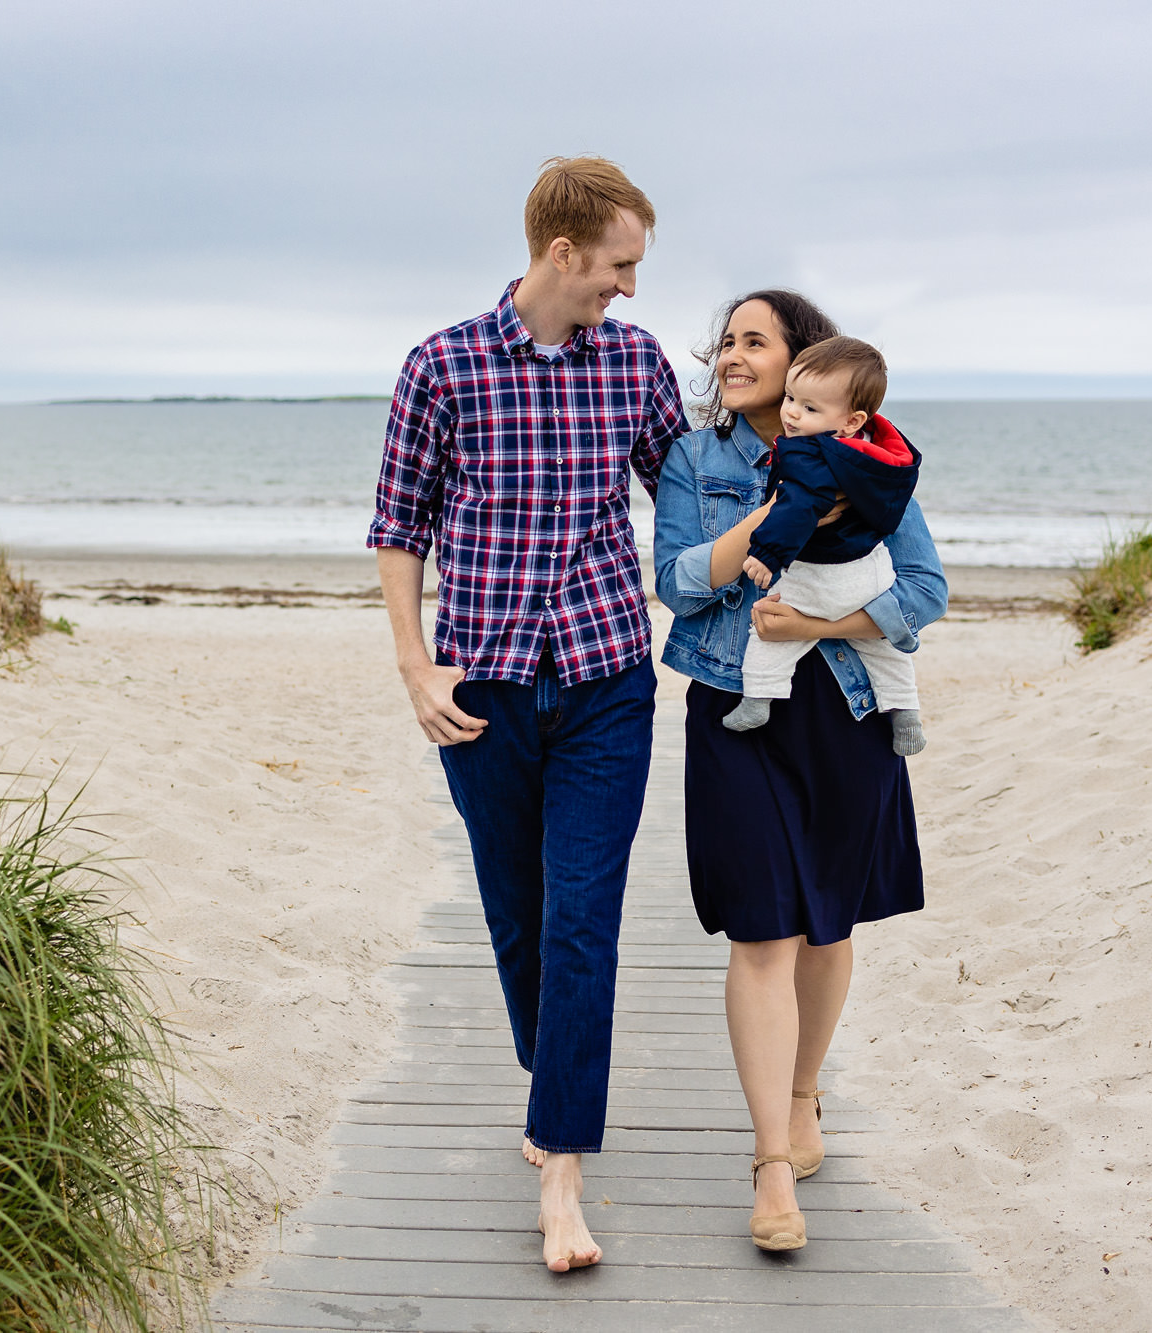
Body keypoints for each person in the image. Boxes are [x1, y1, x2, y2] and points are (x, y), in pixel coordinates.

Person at [367, 155, 688, 1273]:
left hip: (607, 681)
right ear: (562, 253)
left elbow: (689, 496)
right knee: (517, 915)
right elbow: (398, 530)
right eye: (619, 265)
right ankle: (550, 1079)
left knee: (582, 919)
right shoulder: (443, 366)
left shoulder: (637, 364)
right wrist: (415, 666)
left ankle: (561, 1170)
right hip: (484, 692)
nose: (630, 289)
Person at [652, 290, 946, 1252]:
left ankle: (805, 1091)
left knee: (826, 925)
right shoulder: (697, 458)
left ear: (804, 361)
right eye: (725, 342)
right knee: (760, 929)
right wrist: (777, 514)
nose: (729, 358)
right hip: (736, 708)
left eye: (752, 342)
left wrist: (820, 625)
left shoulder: (876, 460)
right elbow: (679, 582)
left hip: (847, 713)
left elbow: (924, 590)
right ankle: (771, 1161)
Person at [723, 336, 926, 755]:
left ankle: (759, 699)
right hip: (870, 573)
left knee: (769, 636)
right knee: (884, 651)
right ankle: (905, 712)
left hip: (817, 576)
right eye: (792, 398)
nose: (793, 413)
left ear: (851, 420)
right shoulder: (878, 455)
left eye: (810, 408)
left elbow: (800, 505)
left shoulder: (811, 454)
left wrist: (766, 553)